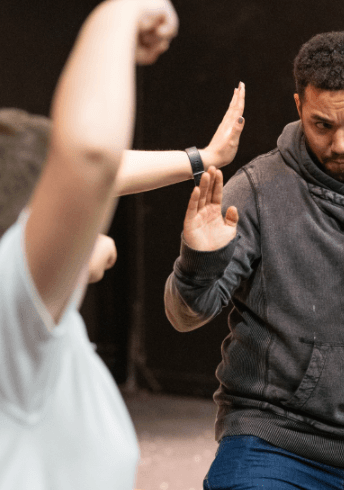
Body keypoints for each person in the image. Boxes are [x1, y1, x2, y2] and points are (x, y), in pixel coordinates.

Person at [164, 31, 344, 489]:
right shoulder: (257, 189)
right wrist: (198, 262)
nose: (341, 143)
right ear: (300, 106)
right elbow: (184, 316)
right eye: (323, 125)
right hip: (274, 436)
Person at [0, 1, 244, 488]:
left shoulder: (40, 326)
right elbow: (90, 159)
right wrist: (122, 12)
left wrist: (203, 158)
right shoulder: (14, 328)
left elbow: (104, 171)